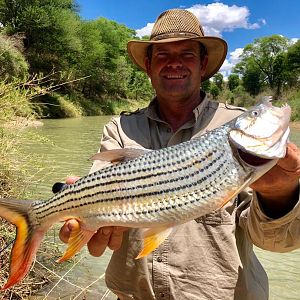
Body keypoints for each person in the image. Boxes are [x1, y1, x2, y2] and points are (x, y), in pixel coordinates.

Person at [60, 9, 300, 300]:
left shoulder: (233, 126)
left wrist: (281, 195)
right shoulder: (119, 128)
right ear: (148, 66)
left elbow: (278, 244)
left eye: (187, 54)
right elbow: (96, 197)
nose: (174, 63)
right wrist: (82, 220)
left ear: (203, 64)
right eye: (162, 55)